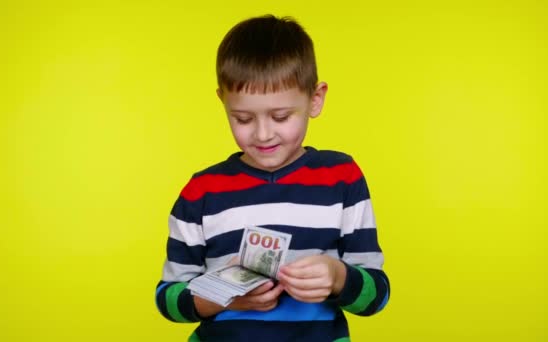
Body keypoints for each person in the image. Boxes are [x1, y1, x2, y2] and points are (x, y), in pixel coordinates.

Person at [155, 14, 390, 341]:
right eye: (243, 118)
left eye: (280, 116)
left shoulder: (342, 178)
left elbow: (378, 295)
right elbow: (167, 299)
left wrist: (338, 278)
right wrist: (222, 296)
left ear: (315, 99)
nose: (263, 134)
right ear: (223, 101)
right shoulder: (201, 193)